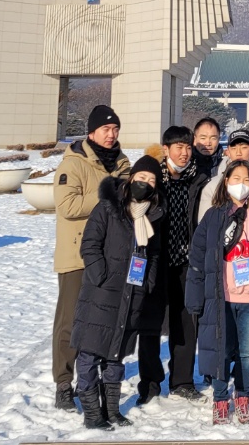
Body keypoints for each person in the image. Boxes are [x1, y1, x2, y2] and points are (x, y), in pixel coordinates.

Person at [186, 159, 249, 426]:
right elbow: (197, 260)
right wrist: (194, 297)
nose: (240, 185)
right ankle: (220, 398)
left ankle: (242, 395)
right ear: (225, 182)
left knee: (246, 352)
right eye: (235, 179)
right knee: (221, 349)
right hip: (221, 298)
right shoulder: (213, 217)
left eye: (246, 180)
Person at [70, 155, 164, 429]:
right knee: (89, 353)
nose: (145, 183)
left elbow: (153, 255)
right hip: (101, 293)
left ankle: (111, 411)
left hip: (132, 295)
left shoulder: (152, 215)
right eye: (141, 177)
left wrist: (146, 283)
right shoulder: (108, 208)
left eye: (151, 180)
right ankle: (91, 414)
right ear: (131, 177)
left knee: (116, 355)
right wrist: (101, 276)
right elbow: (90, 244)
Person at [52, 105, 130, 410]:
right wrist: (106, 192)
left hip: (112, 256)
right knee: (70, 321)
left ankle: (93, 377)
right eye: (105, 130)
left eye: (115, 129)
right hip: (77, 255)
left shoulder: (123, 163)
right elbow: (67, 206)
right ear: (91, 132)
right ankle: (63, 382)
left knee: (103, 321)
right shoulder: (74, 164)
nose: (111, 135)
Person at [148, 125, 212, 403]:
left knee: (187, 323)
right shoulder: (154, 180)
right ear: (166, 149)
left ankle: (182, 380)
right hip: (157, 263)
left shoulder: (197, 179)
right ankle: (149, 382)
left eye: (188, 147)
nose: (184, 153)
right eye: (178, 147)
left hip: (187, 264)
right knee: (150, 325)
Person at [197, 129, 249, 222]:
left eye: (244, 147)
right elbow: (204, 224)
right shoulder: (213, 185)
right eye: (233, 148)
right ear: (227, 151)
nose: (238, 152)